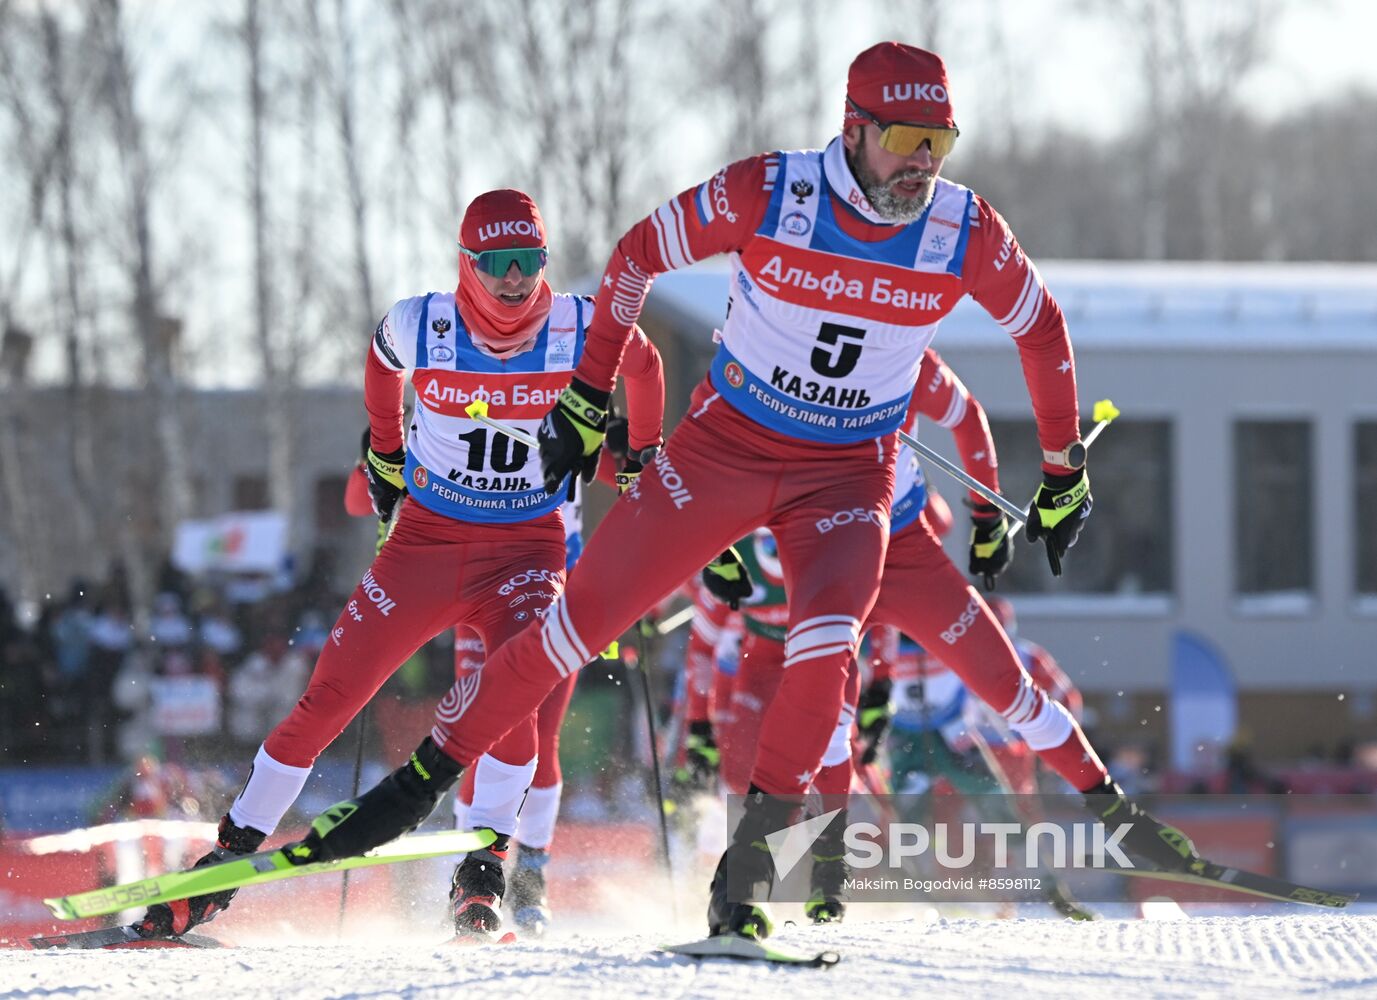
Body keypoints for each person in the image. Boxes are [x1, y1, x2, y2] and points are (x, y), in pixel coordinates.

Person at [287, 43, 1198, 942]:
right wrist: (587, 388)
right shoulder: (774, 192)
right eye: (904, 139)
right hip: (726, 447)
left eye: (938, 143)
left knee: (829, 646)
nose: (920, 164)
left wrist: (1062, 474)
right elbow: (637, 253)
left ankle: (750, 883)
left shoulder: (962, 231)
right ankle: (412, 792)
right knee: (572, 629)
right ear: (854, 128)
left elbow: (1040, 330)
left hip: (848, 474)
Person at [129, 188, 664, 942]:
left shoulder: (580, 324)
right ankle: (229, 853)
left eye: (529, 262)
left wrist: (641, 456)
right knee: (329, 697)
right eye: (497, 264)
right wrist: (383, 449)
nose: (514, 279)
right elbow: (381, 363)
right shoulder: (424, 323)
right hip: (426, 545)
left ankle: (484, 870)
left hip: (527, 548)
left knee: (515, 700)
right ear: (466, 265)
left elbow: (645, 366)